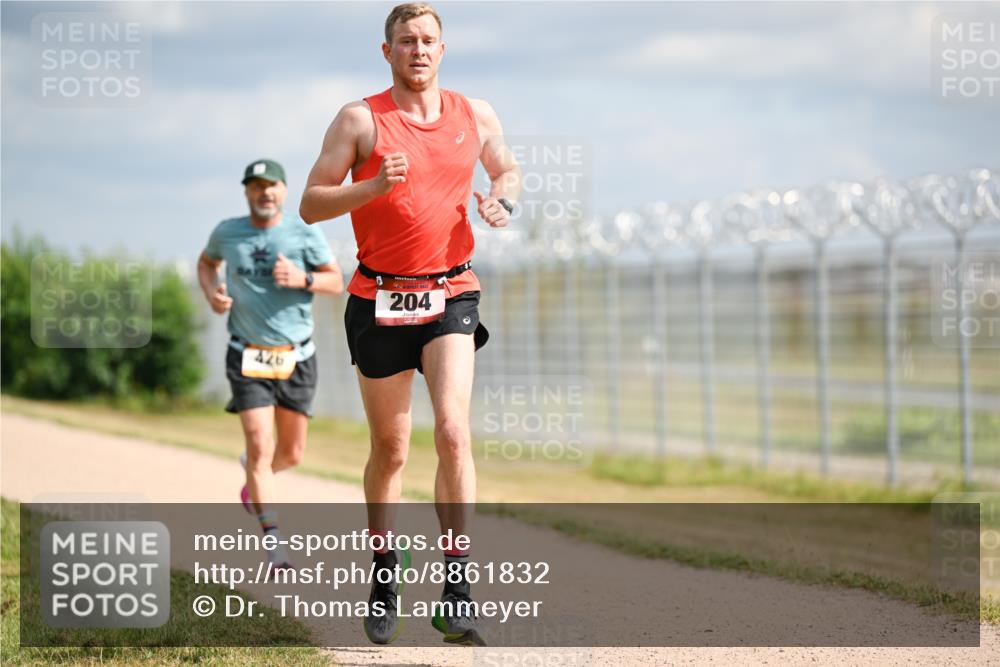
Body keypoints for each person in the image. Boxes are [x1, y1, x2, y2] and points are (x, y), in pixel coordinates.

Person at [300, 2, 520, 647]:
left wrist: (501, 198)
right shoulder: (359, 119)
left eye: (428, 40)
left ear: (442, 50)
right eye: (406, 40)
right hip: (378, 298)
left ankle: (457, 585)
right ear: (387, 51)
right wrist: (370, 188)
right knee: (392, 450)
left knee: (453, 433)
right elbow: (313, 201)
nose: (418, 50)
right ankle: (384, 573)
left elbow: (506, 166)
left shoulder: (474, 113)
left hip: (451, 289)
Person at [198, 158, 343, 573]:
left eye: (272, 186)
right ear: (246, 192)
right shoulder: (227, 233)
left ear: (283, 189)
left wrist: (304, 279)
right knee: (260, 445)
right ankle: (275, 546)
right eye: (256, 186)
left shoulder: (305, 231)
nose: (265, 193)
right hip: (247, 353)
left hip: (296, 355)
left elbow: (337, 281)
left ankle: (255, 477)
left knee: (292, 453)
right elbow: (206, 264)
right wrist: (212, 294)